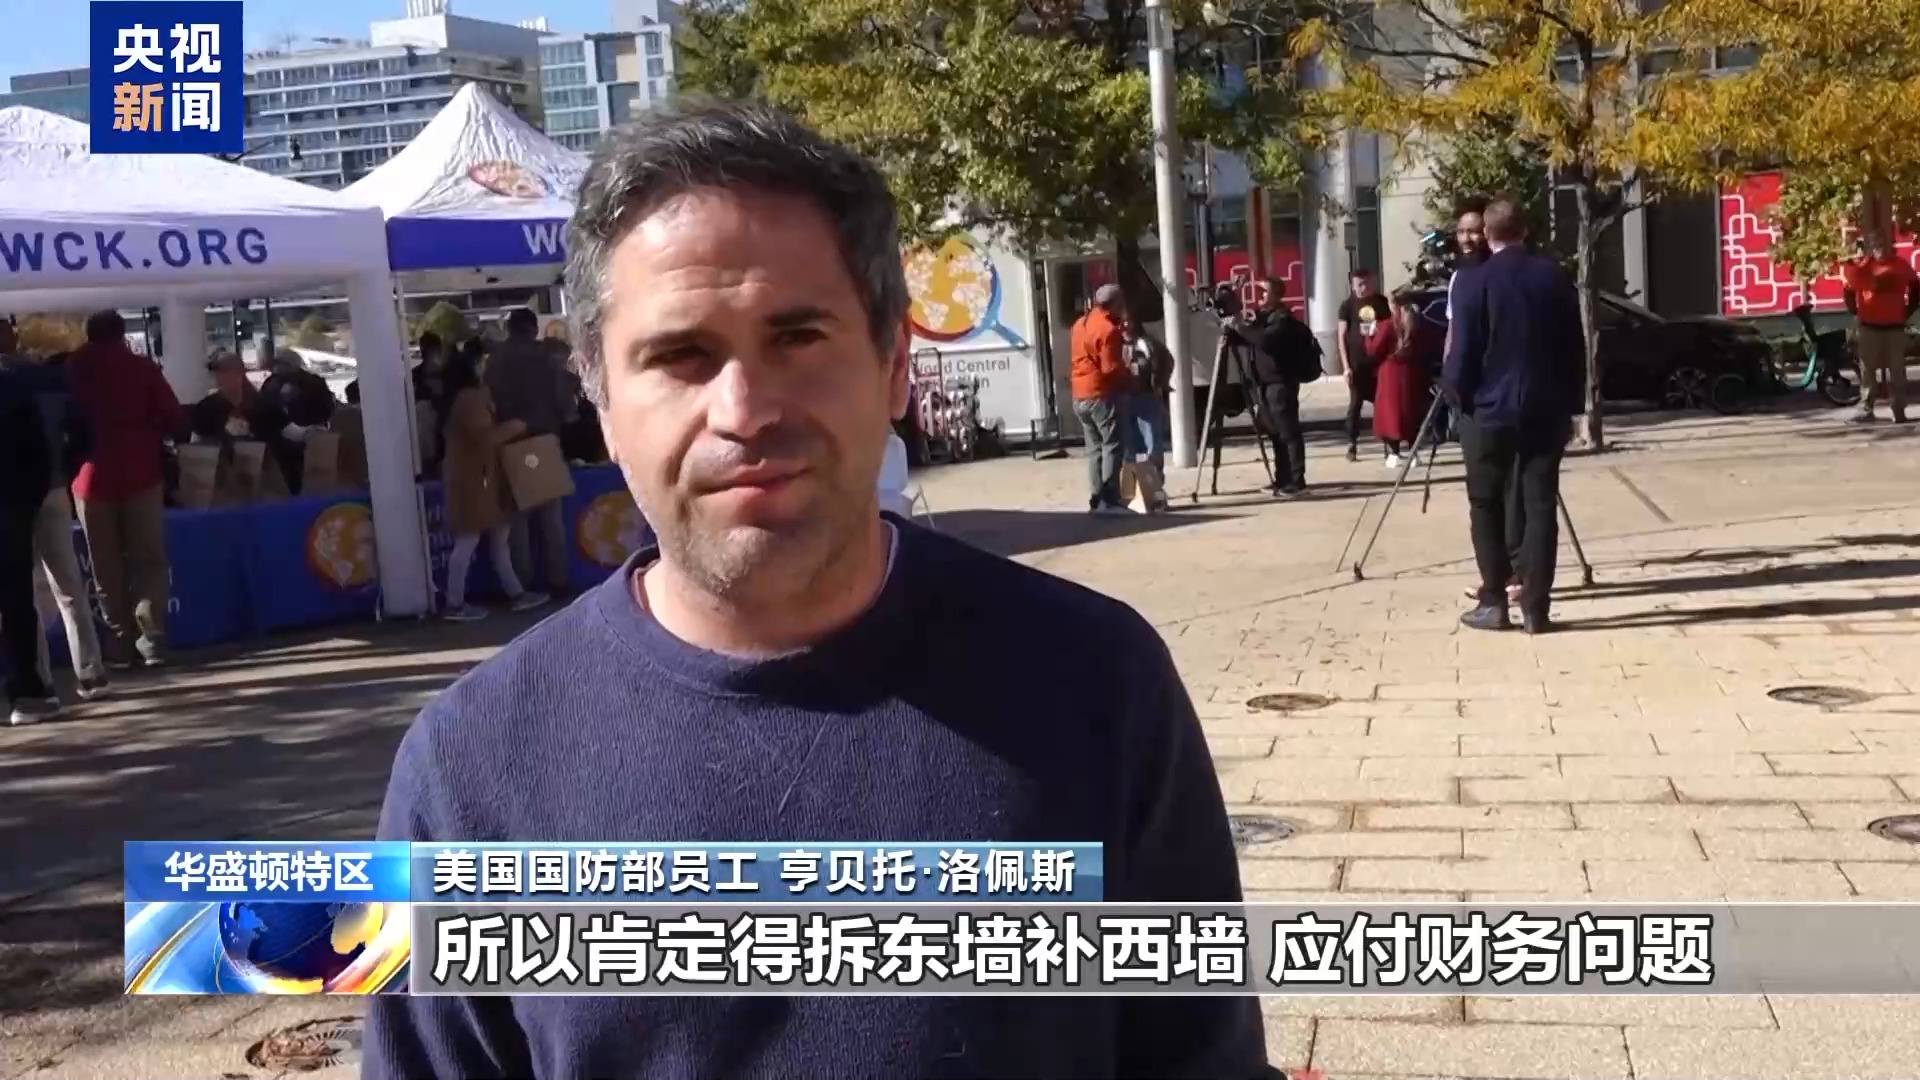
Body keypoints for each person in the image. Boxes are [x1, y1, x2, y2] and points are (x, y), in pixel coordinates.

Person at [364, 101, 1267, 1079]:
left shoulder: (1096, 685)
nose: (744, 411)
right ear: (603, 400)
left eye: (797, 338)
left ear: (893, 367)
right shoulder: (473, 769)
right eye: (680, 356)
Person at [1443, 197, 1584, 635]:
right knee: (1540, 504)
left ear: (1487, 234)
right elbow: (1574, 346)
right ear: (1524, 231)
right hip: (1544, 406)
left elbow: (1462, 351)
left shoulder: (1473, 281)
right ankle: (1536, 607)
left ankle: (1495, 599)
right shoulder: (1553, 276)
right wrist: (1574, 406)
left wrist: (1455, 395)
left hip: (1487, 410)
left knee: (1485, 502)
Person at [66, 310, 185, 669]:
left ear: (89, 335)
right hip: (140, 471)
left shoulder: (71, 370)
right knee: (149, 559)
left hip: (89, 477)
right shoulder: (142, 368)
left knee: (105, 564)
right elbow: (174, 419)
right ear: (121, 335)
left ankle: (118, 643)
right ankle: (150, 634)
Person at [0, 324, 107, 702]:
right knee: (68, 584)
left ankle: (39, 678)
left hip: (13, 496)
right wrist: (67, 468)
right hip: (54, 486)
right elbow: (83, 431)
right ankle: (91, 671)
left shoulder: (15, 383)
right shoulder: (48, 378)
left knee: (19, 591)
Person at [432, 347, 551, 622]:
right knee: (470, 539)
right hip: (475, 480)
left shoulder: (460, 399)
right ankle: (455, 603)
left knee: (496, 538)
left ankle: (515, 593)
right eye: (479, 362)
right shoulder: (469, 400)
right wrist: (516, 426)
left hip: (477, 478)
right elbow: (486, 437)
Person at [484, 308, 576, 594]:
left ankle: (525, 583)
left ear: (509, 329)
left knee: (518, 521)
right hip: (545, 440)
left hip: (510, 441)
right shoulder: (545, 357)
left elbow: (489, 402)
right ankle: (558, 580)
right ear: (533, 329)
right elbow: (565, 400)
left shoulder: (495, 361)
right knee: (551, 518)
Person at [1, 358, 58, 725]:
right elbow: (39, 453)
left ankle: (27, 690)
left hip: (12, 506)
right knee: (16, 603)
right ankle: (25, 692)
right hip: (10, 508)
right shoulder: (14, 390)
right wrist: (28, 503)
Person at [1247, 281, 1319, 497]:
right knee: (1275, 434)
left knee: (1288, 432)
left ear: (1276, 295)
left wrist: (1240, 327)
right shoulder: (1263, 319)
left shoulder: (1282, 320)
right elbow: (1251, 339)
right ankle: (1282, 479)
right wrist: (1235, 333)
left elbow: (1264, 341)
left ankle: (1297, 481)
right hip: (1265, 383)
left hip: (1281, 383)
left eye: (1264, 291)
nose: (1259, 294)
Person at [1070, 284, 1134, 514]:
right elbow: (1110, 369)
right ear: (1114, 304)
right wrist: (1131, 375)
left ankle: (1096, 499)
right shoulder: (1108, 330)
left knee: (1095, 448)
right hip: (1101, 394)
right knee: (1112, 446)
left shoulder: (1080, 323)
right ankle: (1110, 500)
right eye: (1122, 303)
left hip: (1080, 394)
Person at [1841, 235, 1918, 424]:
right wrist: (1857, 312)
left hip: (1894, 326)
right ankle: (1866, 409)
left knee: (1898, 371)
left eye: (1883, 244)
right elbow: (1848, 290)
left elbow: (1916, 287)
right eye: (1875, 244)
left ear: (1891, 246)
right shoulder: (1862, 268)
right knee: (1867, 371)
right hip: (1869, 327)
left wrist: (1906, 311)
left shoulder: (1901, 265)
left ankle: (1899, 410)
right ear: (1870, 247)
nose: (1879, 248)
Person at [257, 345, 337, 495]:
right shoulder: (313, 381)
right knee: (309, 479)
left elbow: (263, 410)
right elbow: (328, 408)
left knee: (295, 480)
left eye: (280, 363)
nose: (277, 367)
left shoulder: (273, 383)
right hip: (304, 438)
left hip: (287, 440)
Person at [1375, 288, 1434, 466]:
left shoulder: (1387, 325)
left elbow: (1374, 349)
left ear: (1393, 305)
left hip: (1390, 373)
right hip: (1411, 372)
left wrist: (1369, 336)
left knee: (1390, 414)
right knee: (1410, 412)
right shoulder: (1416, 324)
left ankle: (1394, 453)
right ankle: (1413, 452)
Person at [1337, 268, 1391, 462]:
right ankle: (1352, 443)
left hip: (1377, 362)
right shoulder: (1347, 305)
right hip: (1357, 363)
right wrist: (1346, 367)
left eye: (1366, 283)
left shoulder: (1381, 302)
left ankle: (1388, 442)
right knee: (1355, 404)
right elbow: (1341, 336)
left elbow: (1388, 329)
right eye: (1359, 284)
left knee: (1382, 403)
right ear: (1353, 285)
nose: (1363, 287)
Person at [1122, 315, 1173, 510]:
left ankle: (1156, 492)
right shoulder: (1115, 344)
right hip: (1125, 399)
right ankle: (1134, 494)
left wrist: (1159, 383)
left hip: (1146, 397)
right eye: (1122, 322)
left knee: (1152, 447)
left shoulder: (1147, 344)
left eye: (1129, 322)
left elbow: (1167, 360)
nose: (1125, 326)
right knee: (1130, 449)